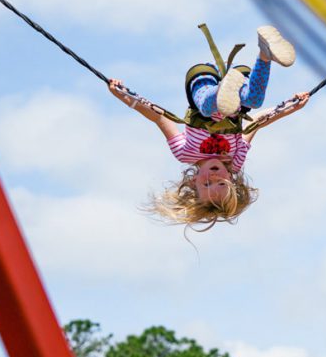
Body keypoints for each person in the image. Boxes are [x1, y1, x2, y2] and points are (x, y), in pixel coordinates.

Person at [109, 25, 309, 228]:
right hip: (239, 93)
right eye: (220, 183)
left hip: (201, 85)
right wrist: (289, 108)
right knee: (254, 101)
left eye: (206, 184)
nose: (214, 177)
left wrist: (126, 96)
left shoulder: (185, 153)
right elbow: (256, 123)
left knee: (206, 107)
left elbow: (160, 118)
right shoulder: (235, 160)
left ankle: (221, 92)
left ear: (192, 182)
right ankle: (265, 53)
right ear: (231, 179)